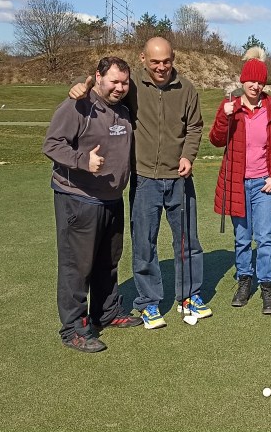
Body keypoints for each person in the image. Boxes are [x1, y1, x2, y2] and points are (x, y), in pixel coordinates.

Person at [69, 37, 210, 330]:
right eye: (155, 61)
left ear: (173, 59)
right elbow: (102, 90)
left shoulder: (187, 89)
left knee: (188, 241)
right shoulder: (130, 86)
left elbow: (195, 127)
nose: (161, 67)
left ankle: (189, 296)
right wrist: (79, 87)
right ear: (143, 59)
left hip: (180, 178)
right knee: (145, 243)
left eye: (166, 61)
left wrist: (188, 155)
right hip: (145, 178)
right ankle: (149, 302)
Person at [44, 57, 141, 353]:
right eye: (114, 81)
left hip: (112, 198)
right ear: (98, 77)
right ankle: (73, 329)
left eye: (124, 82)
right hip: (78, 198)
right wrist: (83, 160)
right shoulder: (78, 105)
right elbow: (52, 144)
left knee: (107, 261)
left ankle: (106, 312)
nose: (119, 87)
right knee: (77, 267)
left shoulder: (123, 109)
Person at [210, 56, 271, 314]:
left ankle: (267, 285)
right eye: (251, 81)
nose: (255, 86)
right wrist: (224, 117)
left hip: (264, 183)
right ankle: (244, 280)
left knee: (265, 238)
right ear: (243, 81)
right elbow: (216, 140)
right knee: (242, 238)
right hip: (237, 182)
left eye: (260, 82)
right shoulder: (230, 107)